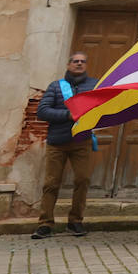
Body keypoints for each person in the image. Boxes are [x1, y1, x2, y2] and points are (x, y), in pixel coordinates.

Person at [32, 51, 99, 239]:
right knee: (51, 183)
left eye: (82, 61)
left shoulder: (94, 85)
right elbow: (42, 111)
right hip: (57, 142)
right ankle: (45, 223)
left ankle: (75, 221)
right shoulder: (55, 87)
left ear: (86, 65)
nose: (79, 64)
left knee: (82, 180)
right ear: (69, 65)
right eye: (75, 61)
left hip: (82, 141)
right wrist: (67, 116)